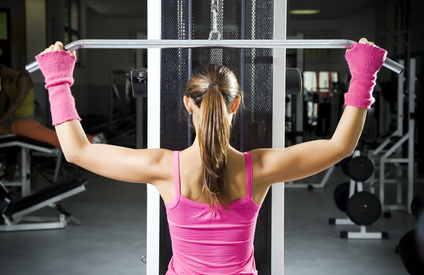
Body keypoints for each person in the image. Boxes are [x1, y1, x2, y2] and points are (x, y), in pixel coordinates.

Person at [35, 38, 387, 275]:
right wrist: (364, 73)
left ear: (188, 103)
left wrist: (57, 79)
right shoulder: (259, 168)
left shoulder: (163, 168)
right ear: (236, 104)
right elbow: (340, 146)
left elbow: (77, 151)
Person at [0, 57, 104, 185]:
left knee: (53, 141)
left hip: (23, 124)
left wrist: (1, 120)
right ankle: (90, 139)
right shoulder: (5, 81)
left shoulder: (22, 78)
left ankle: (90, 140)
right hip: (15, 126)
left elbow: (16, 103)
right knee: (50, 139)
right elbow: (2, 101)